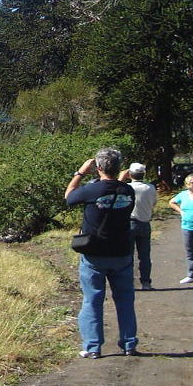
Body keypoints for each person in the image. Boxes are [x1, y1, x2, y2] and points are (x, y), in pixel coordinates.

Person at [65, 148, 138, 358]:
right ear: (119, 167)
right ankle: (128, 343)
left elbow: (69, 197)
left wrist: (79, 173)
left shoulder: (91, 191)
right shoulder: (128, 191)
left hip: (94, 253)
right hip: (121, 252)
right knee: (125, 300)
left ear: (98, 168)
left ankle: (93, 346)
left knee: (92, 299)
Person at [122, 162, 158, 290]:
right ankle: (146, 282)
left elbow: (117, 189)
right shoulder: (150, 188)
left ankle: (128, 282)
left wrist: (122, 177)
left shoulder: (127, 187)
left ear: (130, 174)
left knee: (128, 255)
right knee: (144, 256)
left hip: (130, 222)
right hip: (145, 222)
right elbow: (153, 203)